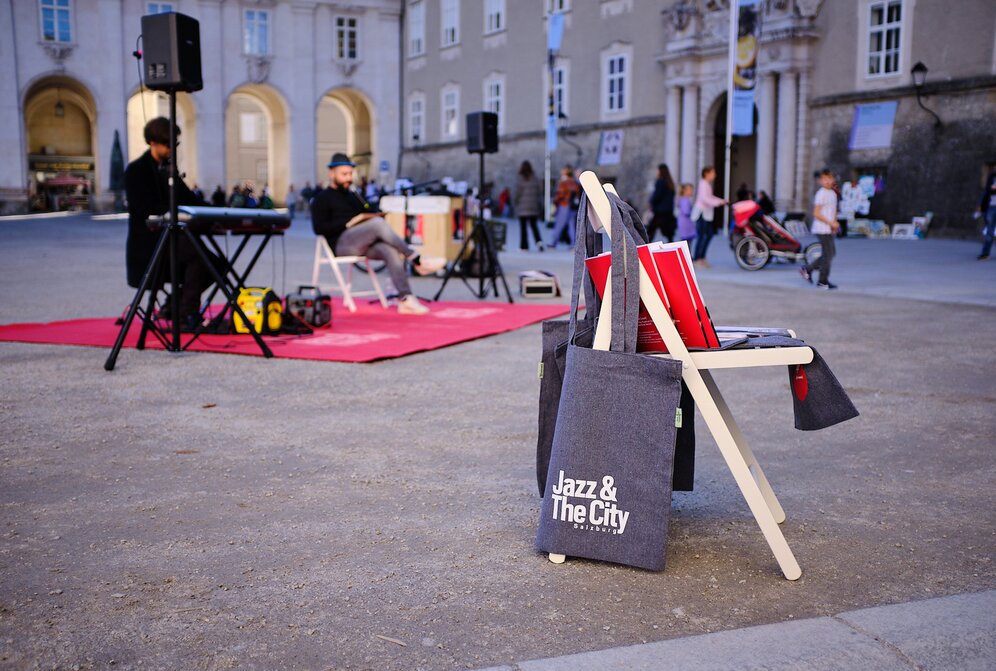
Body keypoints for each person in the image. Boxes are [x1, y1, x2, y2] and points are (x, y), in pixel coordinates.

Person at [311, 153, 445, 315]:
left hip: (362, 241)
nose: (348, 178)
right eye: (344, 174)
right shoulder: (321, 198)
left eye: (350, 174)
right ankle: (416, 258)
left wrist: (374, 212)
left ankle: (406, 299)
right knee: (376, 225)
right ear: (332, 173)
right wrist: (348, 223)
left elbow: (367, 211)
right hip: (341, 244)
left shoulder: (353, 195)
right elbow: (319, 228)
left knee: (389, 250)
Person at [124, 117, 214, 331]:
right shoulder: (136, 170)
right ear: (153, 142)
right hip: (150, 244)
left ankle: (173, 306)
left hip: (173, 239)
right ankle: (186, 314)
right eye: (168, 144)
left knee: (218, 265)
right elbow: (144, 210)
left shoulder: (169, 170)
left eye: (175, 144)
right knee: (199, 258)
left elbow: (191, 200)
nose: (172, 149)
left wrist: (217, 211)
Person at [800, 169, 840, 289]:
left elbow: (832, 211)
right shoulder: (821, 194)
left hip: (829, 229)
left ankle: (807, 269)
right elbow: (816, 213)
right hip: (821, 229)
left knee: (830, 253)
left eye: (829, 178)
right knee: (828, 255)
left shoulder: (832, 193)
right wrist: (831, 223)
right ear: (820, 181)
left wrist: (834, 223)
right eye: (824, 179)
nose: (827, 181)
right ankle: (822, 281)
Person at [691, 166, 727, 268]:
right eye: (713, 173)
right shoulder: (703, 184)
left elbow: (710, 198)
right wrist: (719, 202)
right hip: (702, 214)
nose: (714, 175)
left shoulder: (706, 184)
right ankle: (698, 258)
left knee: (708, 235)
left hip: (706, 214)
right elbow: (705, 199)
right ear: (707, 173)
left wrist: (720, 201)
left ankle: (701, 257)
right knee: (702, 236)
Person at [513, 161, 544, 251]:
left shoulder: (520, 179)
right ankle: (539, 243)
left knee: (523, 228)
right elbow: (539, 192)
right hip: (533, 207)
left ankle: (524, 246)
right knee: (534, 226)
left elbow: (516, 193)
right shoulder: (535, 178)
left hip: (522, 207)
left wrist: (515, 202)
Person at [548, 165, 580, 249]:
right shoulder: (574, 182)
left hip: (564, 205)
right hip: (573, 206)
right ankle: (573, 244)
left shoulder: (563, 182)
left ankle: (554, 242)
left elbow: (560, 194)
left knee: (559, 225)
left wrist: (555, 202)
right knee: (571, 225)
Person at [647, 163, 677, 242]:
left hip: (660, 211)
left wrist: (651, 202)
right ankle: (671, 247)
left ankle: (645, 246)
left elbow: (657, 195)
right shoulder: (670, 183)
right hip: (668, 211)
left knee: (651, 231)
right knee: (668, 232)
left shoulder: (661, 182)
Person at [975, 171, 996, 260]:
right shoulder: (992, 175)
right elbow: (988, 189)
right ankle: (985, 253)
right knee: (989, 231)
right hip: (991, 206)